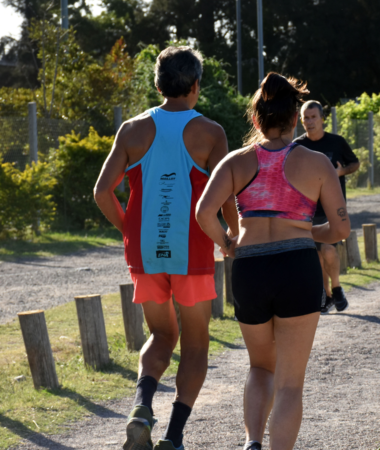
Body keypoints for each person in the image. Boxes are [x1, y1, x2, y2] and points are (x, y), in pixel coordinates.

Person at [195, 73, 349, 450]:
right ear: (295, 118)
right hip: (297, 268)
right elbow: (340, 229)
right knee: (291, 383)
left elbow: (203, 213)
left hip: (250, 268)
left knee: (260, 366)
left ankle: (252, 442)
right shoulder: (317, 163)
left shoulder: (236, 161)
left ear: (256, 119)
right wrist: (305, 233)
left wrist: (228, 243)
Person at [94, 46, 234, 450]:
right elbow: (226, 199)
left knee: (159, 335)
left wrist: (128, 232)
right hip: (192, 252)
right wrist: (230, 238)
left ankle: (141, 408)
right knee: (195, 343)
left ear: (158, 84)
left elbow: (103, 192)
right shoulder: (211, 132)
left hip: (145, 253)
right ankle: (173, 437)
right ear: (195, 85)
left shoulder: (132, 130)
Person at [294, 100, 360, 313]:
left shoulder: (336, 143)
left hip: (332, 207)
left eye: (313, 117)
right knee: (317, 254)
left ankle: (337, 287)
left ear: (322, 119)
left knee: (329, 250)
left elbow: (355, 164)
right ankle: (327, 294)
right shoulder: (297, 146)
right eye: (306, 118)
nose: (310, 121)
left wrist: (340, 173)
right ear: (301, 120)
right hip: (308, 209)